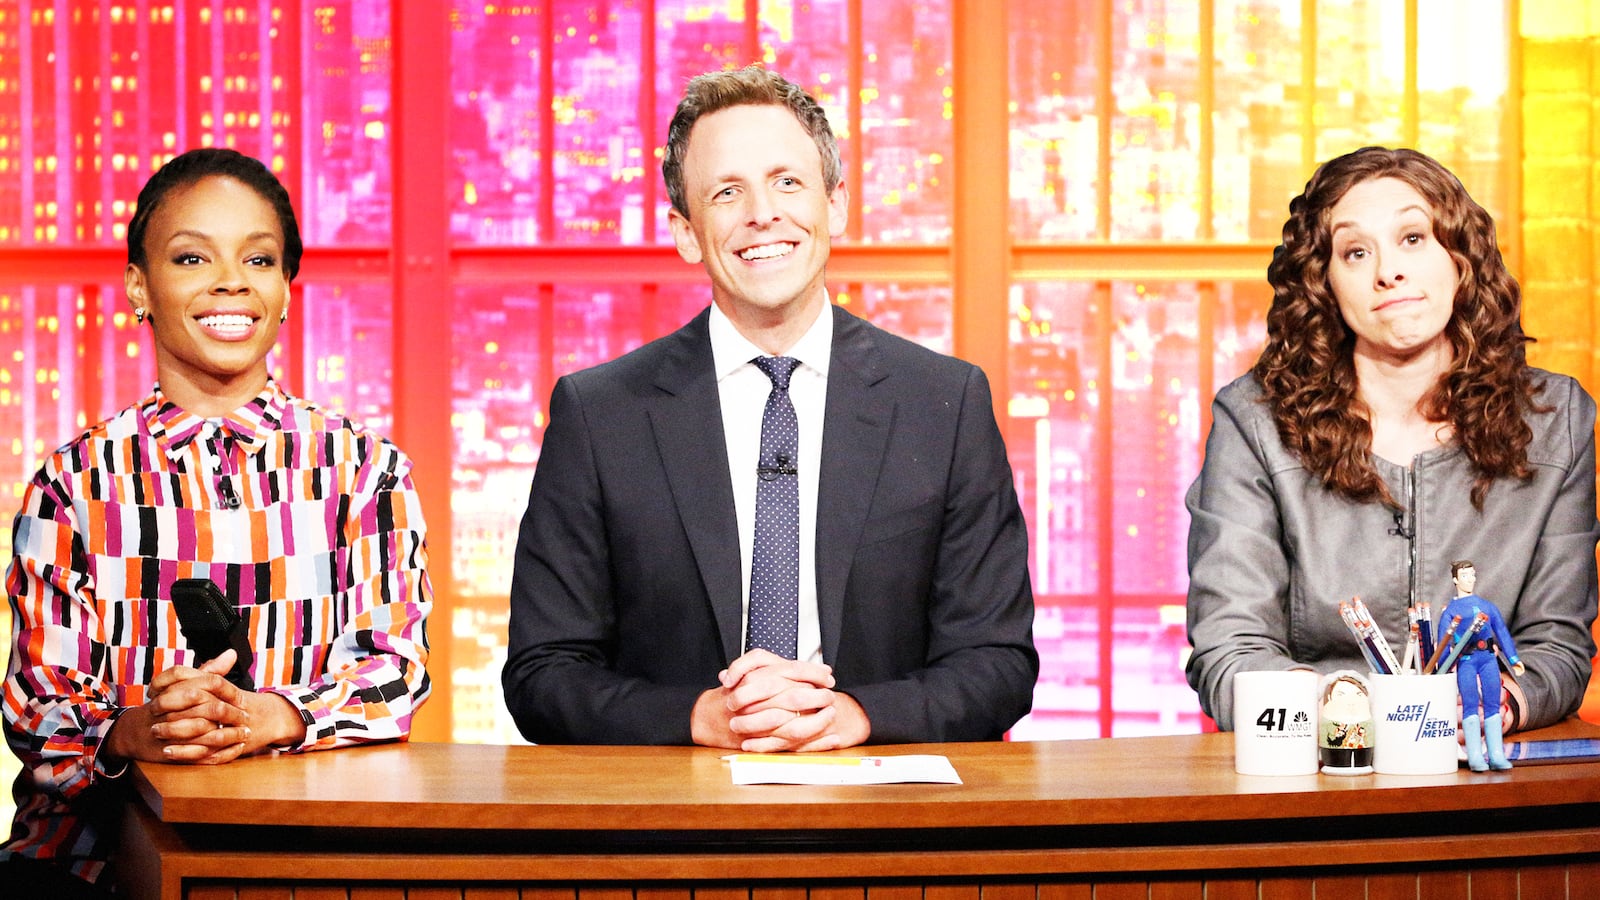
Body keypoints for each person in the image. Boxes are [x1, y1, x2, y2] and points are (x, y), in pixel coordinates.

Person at [502, 65, 1037, 751]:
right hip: (679, 807)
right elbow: (543, 674)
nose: (763, 213)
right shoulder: (600, 415)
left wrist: (853, 716)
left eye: (787, 182)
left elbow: (998, 662)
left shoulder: (944, 403)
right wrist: (704, 718)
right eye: (727, 192)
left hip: (883, 801)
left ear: (835, 204)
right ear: (687, 232)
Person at [1, 148, 433, 895]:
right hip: (85, 870)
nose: (231, 281)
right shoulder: (72, 482)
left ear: (285, 290)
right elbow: (38, 705)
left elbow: (395, 673)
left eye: (258, 259)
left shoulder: (367, 471)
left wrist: (269, 717)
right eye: (192, 257)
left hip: (301, 868)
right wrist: (138, 729)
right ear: (139, 286)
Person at [1185, 146, 1599, 733]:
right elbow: (1230, 652)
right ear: (1324, 282)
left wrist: (1496, 705)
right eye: (1356, 252)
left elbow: (1557, 645)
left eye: (1412, 238)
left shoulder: (1555, 418)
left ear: (1461, 258)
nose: (1388, 271)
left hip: (1482, 757)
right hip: (1321, 759)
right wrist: (1365, 716)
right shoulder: (1255, 421)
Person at [1440, 560, 1522, 771]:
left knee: (1492, 704)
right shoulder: (1450, 611)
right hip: (1466, 661)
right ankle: (1475, 756)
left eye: (1472, 574)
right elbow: (1443, 642)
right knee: (1470, 705)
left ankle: (1496, 754)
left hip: (1488, 659)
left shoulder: (1487, 606)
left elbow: (1501, 631)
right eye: (1465, 576)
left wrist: (1513, 659)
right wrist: (1443, 667)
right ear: (1455, 580)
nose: (1470, 579)